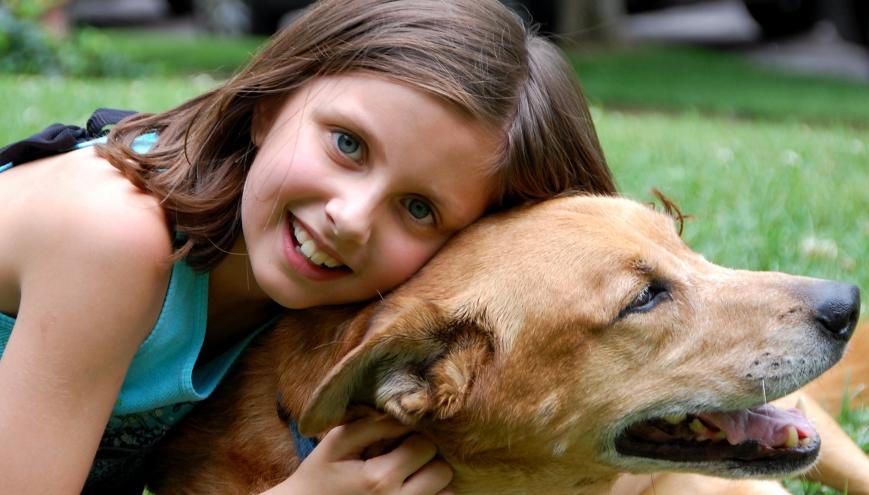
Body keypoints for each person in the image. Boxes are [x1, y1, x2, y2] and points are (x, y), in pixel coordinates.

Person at [0, 0, 616, 493]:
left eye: (419, 208)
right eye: (347, 144)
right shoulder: (112, 236)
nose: (350, 219)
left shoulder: (321, 294)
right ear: (272, 103)